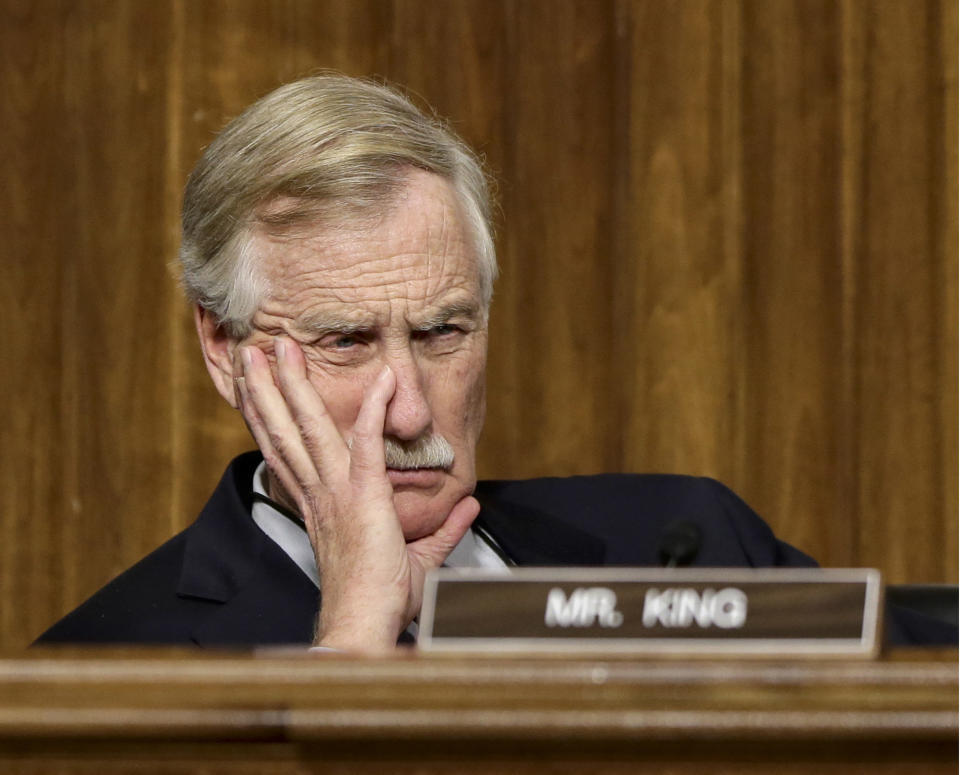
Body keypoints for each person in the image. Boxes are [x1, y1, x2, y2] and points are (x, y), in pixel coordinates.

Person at [35, 74, 953, 651]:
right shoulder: (106, 662)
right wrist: (356, 628)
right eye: (346, 341)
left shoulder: (686, 540)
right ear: (224, 348)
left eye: (442, 333)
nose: (408, 412)